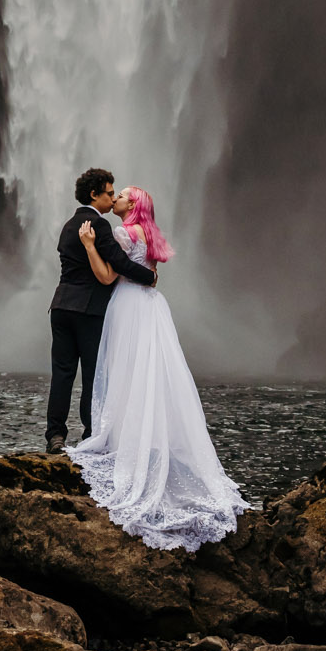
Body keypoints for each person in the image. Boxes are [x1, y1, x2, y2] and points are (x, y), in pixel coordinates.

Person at [65, 184, 252, 551]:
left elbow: (106, 276)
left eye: (120, 195)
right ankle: (155, 442)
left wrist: (88, 245)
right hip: (152, 305)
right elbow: (147, 272)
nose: (115, 198)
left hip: (128, 304)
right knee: (154, 373)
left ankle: (125, 444)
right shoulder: (150, 234)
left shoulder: (121, 233)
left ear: (131, 204)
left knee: (128, 373)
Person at [47, 166, 153, 453]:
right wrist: (149, 277)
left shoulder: (69, 225)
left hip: (60, 307)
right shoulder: (100, 225)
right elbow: (119, 263)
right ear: (94, 195)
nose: (111, 199)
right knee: (93, 374)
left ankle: (55, 437)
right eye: (108, 194)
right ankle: (91, 435)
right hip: (89, 310)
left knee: (62, 373)